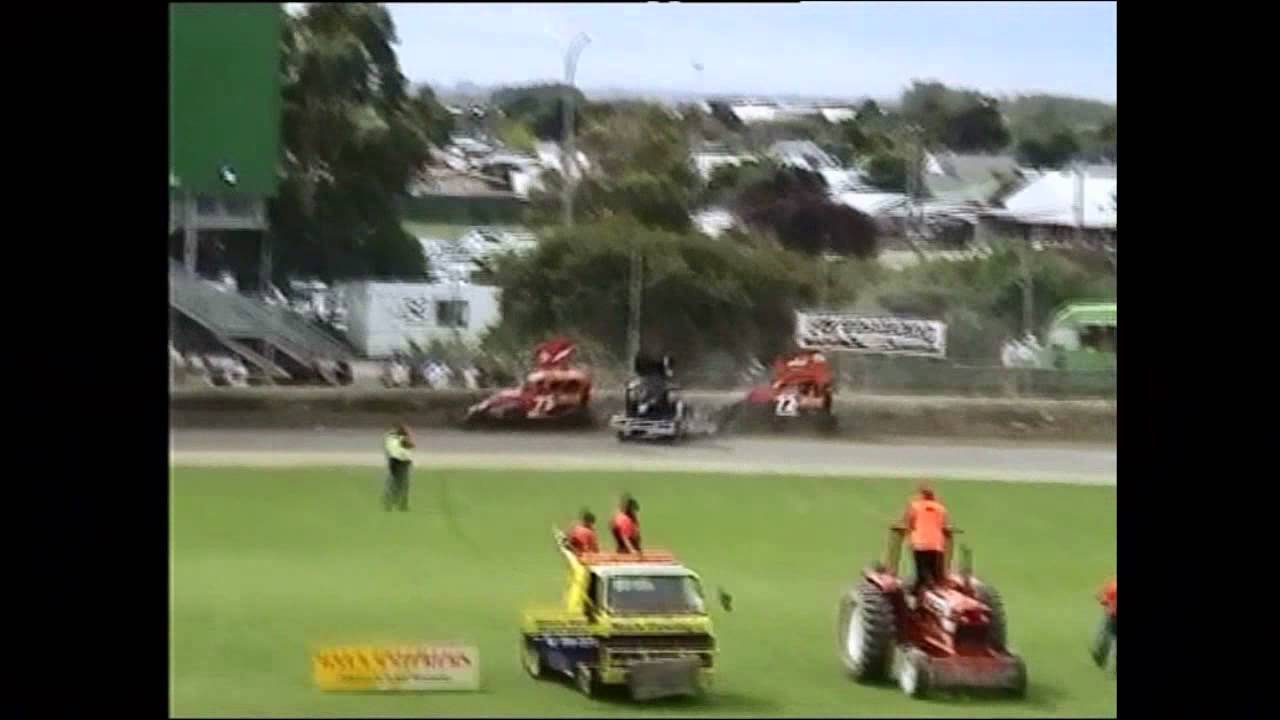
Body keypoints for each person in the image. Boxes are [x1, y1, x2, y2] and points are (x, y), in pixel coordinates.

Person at [902, 482, 950, 595]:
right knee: (936, 573)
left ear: (921, 495)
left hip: (920, 544)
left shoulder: (915, 506)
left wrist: (908, 532)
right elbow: (944, 526)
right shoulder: (941, 508)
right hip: (937, 545)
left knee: (922, 572)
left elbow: (908, 523)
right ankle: (935, 590)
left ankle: (918, 594)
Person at [382, 424, 415, 512]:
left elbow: (388, 450)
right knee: (403, 485)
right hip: (402, 463)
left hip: (393, 462)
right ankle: (401, 504)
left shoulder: (390, 439)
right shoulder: (402, 439)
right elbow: (411, 446)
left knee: (393, 484)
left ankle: (390, 503)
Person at [1091, 575, 1117, 668]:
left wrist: (1105, 602)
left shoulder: (1113, 584)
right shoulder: (1113, 584)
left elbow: (1101, 598)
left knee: (1105, 636)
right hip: (1111, 615)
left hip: (1111, 616)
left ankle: (1100, 655)